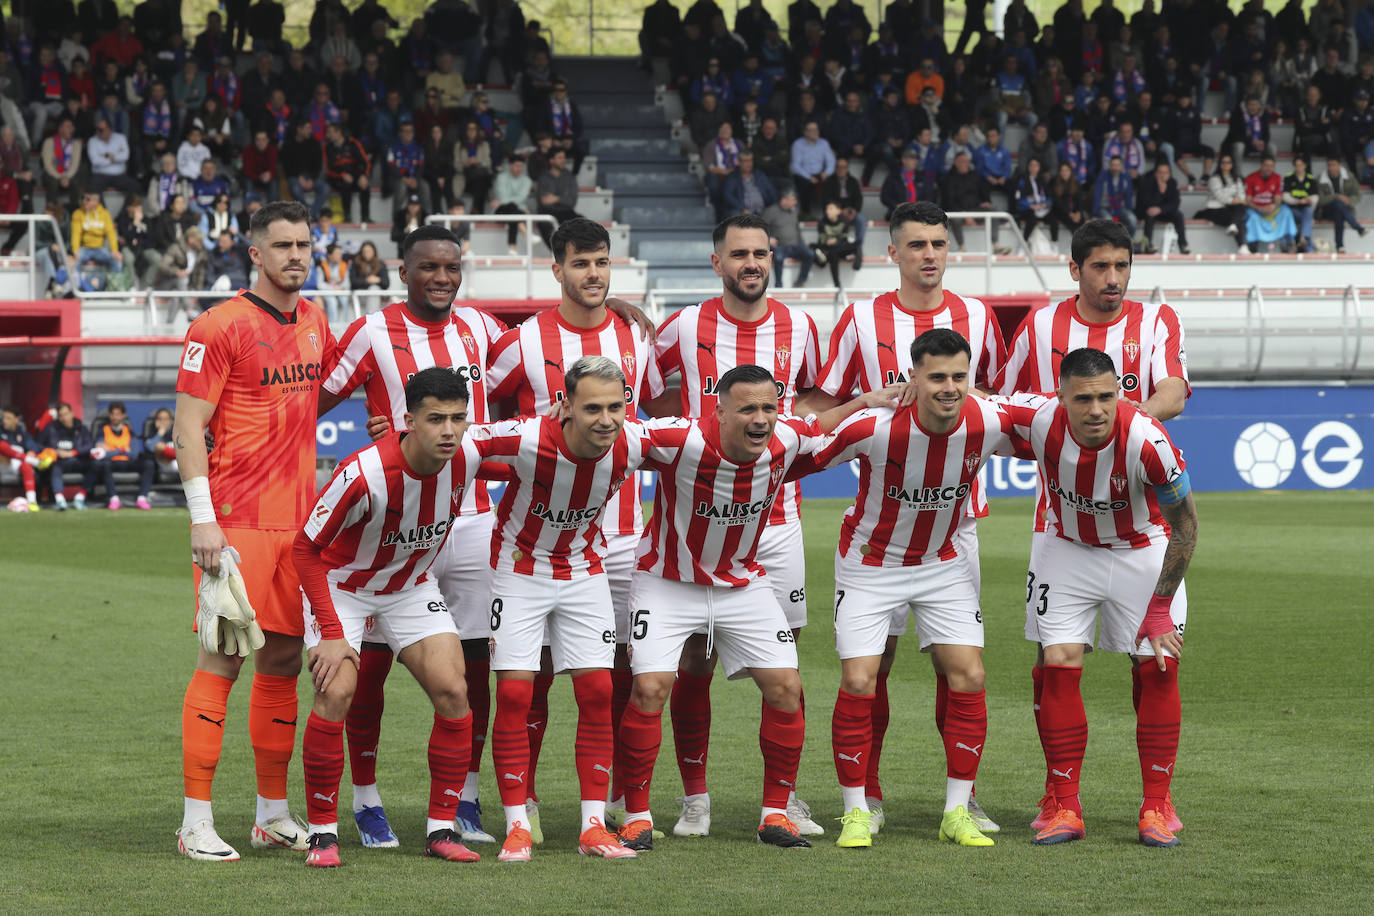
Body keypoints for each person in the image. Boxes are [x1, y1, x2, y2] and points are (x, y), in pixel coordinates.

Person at [614, 365, 891, 852]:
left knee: (786, 686)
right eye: (747, 409)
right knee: (651, 687)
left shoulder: (785, 437)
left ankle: (775, 814)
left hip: (742, 582)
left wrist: (867, 398)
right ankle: (634, 814)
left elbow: (822, 424)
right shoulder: (680, 438)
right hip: (666, 581)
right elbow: (618, 431)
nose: (761, 419)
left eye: (768, 407)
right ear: (719, 411)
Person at [805, 200, 1007, 836]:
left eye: (939, 244)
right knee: (875, 666)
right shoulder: (863, 319)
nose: (929, 255)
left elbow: (993, 399)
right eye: (916, 244)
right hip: (881, 522)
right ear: (891, 252)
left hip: (957, 525)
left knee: (961, 667)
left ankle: (962, 799)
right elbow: (821, 400)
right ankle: (865, 790)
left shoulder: (976, 316)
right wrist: (868, 404)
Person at [320, 224, 508, 847]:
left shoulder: (481, 329)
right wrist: (376, 437)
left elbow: (531, 374)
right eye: (429, 267)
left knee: (471, 666)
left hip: (472, 516)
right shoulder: (372, 331)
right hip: (392, 522)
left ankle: (465, 801)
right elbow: (312, 398)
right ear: (404, 272)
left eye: (451, 267)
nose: (442, 277)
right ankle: (367, 800)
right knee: (366, 670)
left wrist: (605, 306)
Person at [641, 211, 824, 837]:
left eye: (761, 253)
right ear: (716, 262)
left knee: (784, 666)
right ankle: (696, 796)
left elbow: (812, 403)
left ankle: (785, 797)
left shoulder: (800, 325)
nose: (752, 264)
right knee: (693, 655)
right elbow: (646, 398)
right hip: (696, 515)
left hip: (777, 519)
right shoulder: (685, 325)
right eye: (739, 254)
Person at [485, 218, 661, 850]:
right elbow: (485, 425)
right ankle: (521, 800)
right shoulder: (521, 343)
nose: (593, 274)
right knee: (525, 677)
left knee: (612, 674)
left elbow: (648, 422)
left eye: (602, 263)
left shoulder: (636, 337)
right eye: (581, 264)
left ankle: (610, 805)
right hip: (531, 538)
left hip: (614, 537)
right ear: (556, 268)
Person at [171, 200, 334, 862]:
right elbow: (187, 427)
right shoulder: (219, 326)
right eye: (283, 245)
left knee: (284, 662)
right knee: (224, 660)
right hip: (235, 524)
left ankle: (271, 814)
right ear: (255, 255)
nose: (296, 255)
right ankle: (195, 822)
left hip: (299, 527)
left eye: (304, 244)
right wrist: (202, 519)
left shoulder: (317, 320)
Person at [1001, 347, 1197, 848]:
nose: (1096, 409)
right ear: (1060, 397)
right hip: (1067, 549)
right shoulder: (1037, 419)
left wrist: (1158, 610)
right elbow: (973, 402)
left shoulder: (1148, 440)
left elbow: (1187, 528)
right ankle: (1065, 804)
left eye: (1107, 396)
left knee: (1158, 665)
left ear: (1120, 393)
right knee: (1058, 662)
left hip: (1142, 547)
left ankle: (1157, 804)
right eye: (1084, 398)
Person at [294, 367, 483, 867]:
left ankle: (442, 830)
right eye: (435, 419)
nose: (448, 430)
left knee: (453, 690)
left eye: (458, 419)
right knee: (336, 691)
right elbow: (306, 550)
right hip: (344, 588)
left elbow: (532, 437)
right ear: (408, 420)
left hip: (410, 588)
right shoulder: (364, 474)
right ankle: (322, 834)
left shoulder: (470, 455)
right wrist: (333, 634)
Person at [38, 401, 106, 511]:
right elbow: (38, 444)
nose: (64, 418)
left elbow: (90, 445)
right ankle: (60, 500)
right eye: (61, 415)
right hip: (59, 462)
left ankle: (80, 497)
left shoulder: (81, 428)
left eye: (66, 414)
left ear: (72, 413)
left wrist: (73, 452)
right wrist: (53, 451)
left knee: (96, 464)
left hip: (78, 460)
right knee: (55, 467)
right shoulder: (50, 428)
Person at [1194, 153, 1249, 251]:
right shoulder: (1214, 179)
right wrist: (1233, 200)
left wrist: (1238, 200)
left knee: (1241, 207)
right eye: (1223, 162)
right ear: (1220, 164)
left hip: (1231, 209)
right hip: (1215, 209)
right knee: (1239, 220)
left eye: (1228, 162)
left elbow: (1242, 194)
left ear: (1232, 165)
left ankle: (1234, 227)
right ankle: (1242, 246)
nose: (1226, 164)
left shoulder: (1237, 179)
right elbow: (1220, 196)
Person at [1243, 155, 1297, 253]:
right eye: (1266, 165)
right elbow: (1248, 200)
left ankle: (1288, 243)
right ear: (1261, 166)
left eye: (1271, 166)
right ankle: (1253, 247)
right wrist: (1259, 208)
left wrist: (1273, 206)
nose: (1269, 168)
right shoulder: (1251, 178)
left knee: (1286, 211)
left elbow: (1278, 198)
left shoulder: (1277, 178)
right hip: (1256, 209)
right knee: (1252, 217)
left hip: (1271, 209)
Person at [91, 400, 138, 507]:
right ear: (109, 415)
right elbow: (101, 454)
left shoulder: (129, 431)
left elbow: (134, 454)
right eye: (112, 414)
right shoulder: (102, 431)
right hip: (111, 463)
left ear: (123, 415)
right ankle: (114, 498)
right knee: (104, 464)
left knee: (148, 464)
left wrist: (111, 450)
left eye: (118, 414)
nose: (115, 417)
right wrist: (121, 450)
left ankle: (142, 497)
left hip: (127, 463)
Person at [1315, 156, 1367, 253]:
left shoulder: (1349, 176)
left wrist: (1349, 201)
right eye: (1329, 165)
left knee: (1339, 212)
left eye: (1333, 165)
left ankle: (1340, 246)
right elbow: (1320, 200)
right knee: (1337, 203)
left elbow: (1357, 194)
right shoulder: (1321, 179)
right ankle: (1357, 227)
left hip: (1344, 210)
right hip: (1326, 210)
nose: (1331, 168)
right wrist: (1337, 196)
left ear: (1339, 165)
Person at [762, 186, 811, 286]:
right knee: (778, 258)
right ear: (784, 200)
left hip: (795, 245)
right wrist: (768, 240)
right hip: (779, 246)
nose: (795, 203)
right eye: (793, 200)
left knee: (809, 254)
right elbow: (760, 229)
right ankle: (779, 285)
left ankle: (801, 281)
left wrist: (803, 243)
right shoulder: (770, 211)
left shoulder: (794, 211)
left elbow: (797, 229)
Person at [323, 122, 372, 223]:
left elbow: (365, 162)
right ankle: (347, 216)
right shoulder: (327, 147)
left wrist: (363, 175)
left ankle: (365, 217)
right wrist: (342, 175)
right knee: (346, 184)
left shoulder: (353, 143)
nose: (328, 135)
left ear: (338, 132)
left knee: (365, 186)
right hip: (337, 179)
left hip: (355, 176)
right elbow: (328, 169)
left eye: (330, 132)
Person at [1138, 161, 1190, 254]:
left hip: (1164, 212)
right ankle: (1147, 245)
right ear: (1156, 173)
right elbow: (1146, 203)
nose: (1163, 175)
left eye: (1165, 172)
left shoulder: (1172, 183)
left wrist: (1161, 209)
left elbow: (1175, 203)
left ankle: (1183, 244)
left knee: (1178, 215)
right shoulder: (1147, 182)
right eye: (1160, 172)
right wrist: (1160, 192)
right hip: (1149, 212)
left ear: (1169, 174)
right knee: (1149, 215)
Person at [1, 405, 44, 510]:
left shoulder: (23, 433)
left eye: (8, 418)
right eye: (4, 418)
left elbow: (33, 447)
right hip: (2, 463)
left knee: (26, 466)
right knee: (1, 446)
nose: (5, 421)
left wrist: (32, 452)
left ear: (16, 419)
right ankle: (32, 461)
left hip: (16, 464)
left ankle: (32, 501)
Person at [535, 149, 581, 247]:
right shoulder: (543, 177)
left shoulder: (570, 177)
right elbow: (544, 201)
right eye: (560, 158)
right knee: (543, 222)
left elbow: (572, 202)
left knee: (581, 223)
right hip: (547, 211)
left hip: (566, 211)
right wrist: (563, 199)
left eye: (564, 158)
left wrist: (556, 198)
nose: (563, 160)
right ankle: (556, 253)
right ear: (551, 160)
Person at [70, 190, 123, 273]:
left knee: (116, 260)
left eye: (88, 199)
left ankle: (113, 284)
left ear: (96, 201)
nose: (84, 201)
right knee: (73, 263)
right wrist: (75, 250)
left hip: (100, 249)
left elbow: (111, 233)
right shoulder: (78, 213)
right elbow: (76, 234)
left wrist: (114, 250)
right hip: (84, 249)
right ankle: (74, 285)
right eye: (83, 198)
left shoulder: (105, 214)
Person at [789, 119, 834, 215]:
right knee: (803, 185)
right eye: (812, 130)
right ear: (805, 132)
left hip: (820, 174)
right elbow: (795, 166)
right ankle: (805, 214)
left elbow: (831, 161)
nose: (815, 132)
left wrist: (826, 173)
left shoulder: (824, 143)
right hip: (804, 175)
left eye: (816, 129)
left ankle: (829, 215)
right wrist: (809, 177)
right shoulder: (798, 144)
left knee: (830, 184)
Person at [135, 405, 176, 509]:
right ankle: (142, 498)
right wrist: (160, 432)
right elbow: (150, 448)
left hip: (179, 463)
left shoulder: (177, 432)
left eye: (165, 419)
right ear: (156, 421)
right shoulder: (152, 433)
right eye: (160, 419)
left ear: (171, 421)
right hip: (163, 463)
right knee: (158, 446)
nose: (163, 421)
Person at [491, 156, 534, 253]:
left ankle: (512, 248)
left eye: (521, 166)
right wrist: (503, 201)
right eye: (516, 166)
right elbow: (503, 197)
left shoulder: (527, 180)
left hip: (515, 210)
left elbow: (521, 197)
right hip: (501, 210)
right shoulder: (501, 177)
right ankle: (526, 234)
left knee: (513, 213)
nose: (519, 169)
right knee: (512, 209)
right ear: (510, 166)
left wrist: (503, 201)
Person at [1092, 154, 1139, 242]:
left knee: (1133, 219)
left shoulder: (1126, 177)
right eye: (1113, 165)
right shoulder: (1102, 176)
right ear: (1109, 166)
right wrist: (1094, 214)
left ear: (1121, 166)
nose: (1115, 168)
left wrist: (1130, 211)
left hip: (1121, 208)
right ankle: (1112, 244)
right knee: (1109, 222)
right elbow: (1097, 195)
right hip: (1104, 207)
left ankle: (1128, 242)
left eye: (1117, 165)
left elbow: (1129, 197)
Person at [813, 200, 859, 285]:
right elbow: (822, 240)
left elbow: (844, 238)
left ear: (838, 211)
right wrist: (830, 241)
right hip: (828, 248)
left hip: (840, 247)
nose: (828, 211)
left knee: (856, 244)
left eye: (831, 209)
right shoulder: (822, 222)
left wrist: (836, 240)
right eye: (827, 209)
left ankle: (856, 263)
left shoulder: (844, 221)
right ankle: (837, 284)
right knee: (832, 252)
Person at [1012, 157, 1053, 241]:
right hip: (1027, 209)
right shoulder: (1022, 181)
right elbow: (1018, 198)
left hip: (1042, 208)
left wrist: (1045, 204)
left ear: (1039, 167)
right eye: (1031, 165)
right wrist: (1030, 206)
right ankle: (1024, 242)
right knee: (1031, 220)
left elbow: (1050, 197)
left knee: (1054, 220)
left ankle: (1054, 243)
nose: (1034, 168)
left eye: (1036, 165)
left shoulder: (1043, 181)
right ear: (1028, 167)